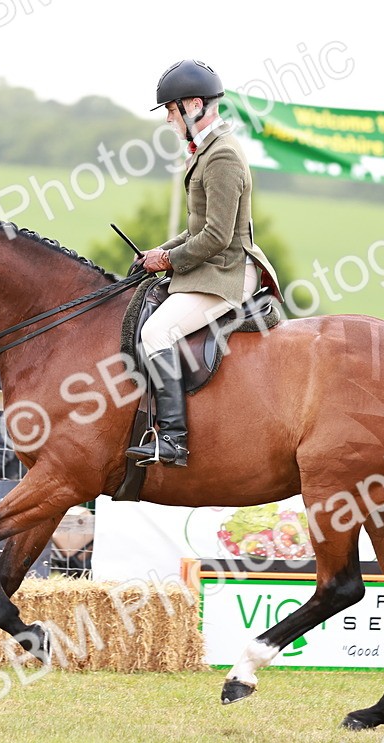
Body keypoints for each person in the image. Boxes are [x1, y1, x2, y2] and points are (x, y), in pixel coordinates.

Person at [126, 59, 281, 468]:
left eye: (171, 111)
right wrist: (155, 254)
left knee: (157, 331)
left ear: (194, 105)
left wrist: (170, 260)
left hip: (229, 273)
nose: (169, 121)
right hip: (211, 266)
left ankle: (173, 440)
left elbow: (216, 236)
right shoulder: (207, 151)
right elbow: (197, 227)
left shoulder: (223, 157)